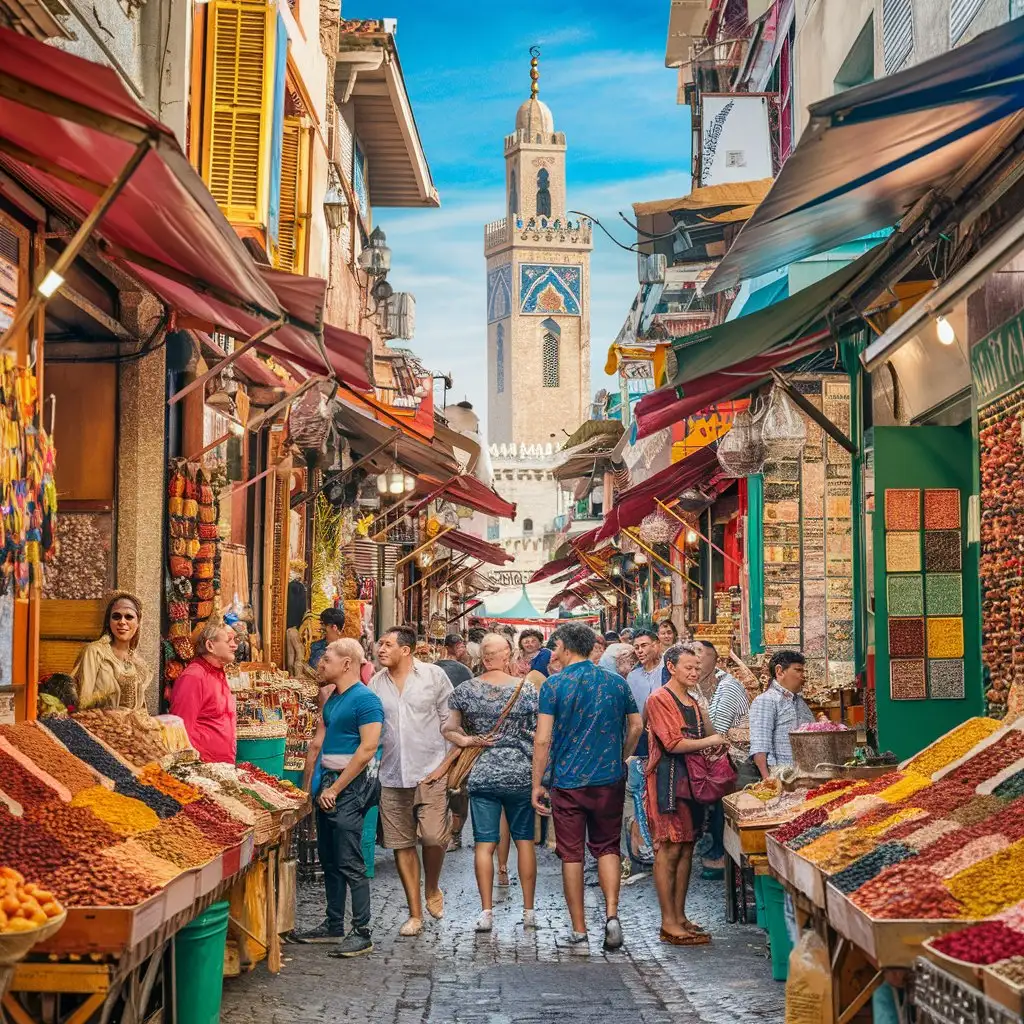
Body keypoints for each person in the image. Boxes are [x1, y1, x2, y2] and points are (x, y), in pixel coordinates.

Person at [532, 623, 643, 954]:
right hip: (608, 778)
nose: (553, 652)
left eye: (556, 647)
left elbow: (542, 738)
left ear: (566, 648)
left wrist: (537, 782)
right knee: (608, 847)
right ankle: (611, 916)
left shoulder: (554, 686)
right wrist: (621, 756)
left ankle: (579, 931)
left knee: (571, 852)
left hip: (568, 781)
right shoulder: (616, 682)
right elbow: (636, 725)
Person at [445, 634, 539, 932]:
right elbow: (539, 734)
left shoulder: (465, 690)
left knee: (484, 845)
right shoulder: (527, 690)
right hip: (520, 772)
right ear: (507, 655)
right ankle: (528, 911)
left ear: (483, 658)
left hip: (483, 772)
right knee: (524, 841)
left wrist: (470, 739)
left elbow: (449, 728)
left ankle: (486, 911)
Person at [297, 639, 383, 956]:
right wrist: (312, 789)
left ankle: (362, 931)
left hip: (352, 785)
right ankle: (334, 924)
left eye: (326, 657)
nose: (320, 662)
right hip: (330, 783)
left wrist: (336, 789)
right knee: (330, 858)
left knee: (350, 861)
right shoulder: (333, 698)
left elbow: (368, 749)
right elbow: (319, 743)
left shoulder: (366, 700)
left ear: (347, 663)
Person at [370, 626, 454, 937]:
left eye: (388, 644)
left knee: (433, 837)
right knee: (401, 844)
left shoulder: (433, 676)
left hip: (431, 770)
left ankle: (432, 886)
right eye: (380, 643)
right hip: (392, 774)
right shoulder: (375, 684)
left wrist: (445, 767)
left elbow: (451, 723)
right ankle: (415, 913)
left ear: (406, 650)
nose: (381, 649)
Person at [645, 644, 727, 946]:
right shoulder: (659, 699)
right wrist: (710, 739)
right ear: (671, 667)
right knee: (668, 849)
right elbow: (672, 743)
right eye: (688, 668)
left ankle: (679, 916)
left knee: (686, 848)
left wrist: (711, 738)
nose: (694, 672)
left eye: (697, 667)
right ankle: (668, 921)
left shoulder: (692, 701)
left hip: (691, 781)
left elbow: (701, 736)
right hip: (668, 779)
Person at [170, 621, 238, 762]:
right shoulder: (193, 677)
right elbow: (181, 730)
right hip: (202, 767)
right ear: (210, 646)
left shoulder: (218, 673)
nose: (235, 645)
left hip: (221, 767)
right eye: (228, 640)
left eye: (234, 640)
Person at [72, 592, 153, 710]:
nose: (122, 622)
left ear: (138, 622)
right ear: (108, 622)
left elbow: (141, 709)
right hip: (98, 725)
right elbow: (83, 702)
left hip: (131, 727)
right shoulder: (94, 652)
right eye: (116, 616)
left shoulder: (139, 665)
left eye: (129, 617)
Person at [748, 650, 814, 780]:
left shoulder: (799, 702)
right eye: (798, 670)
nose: (803, 676)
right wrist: (768, 781)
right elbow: (760, 746)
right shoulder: (766, 700)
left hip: (804, 774)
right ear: (780, 671)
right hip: (781, 776)